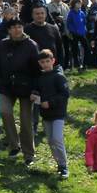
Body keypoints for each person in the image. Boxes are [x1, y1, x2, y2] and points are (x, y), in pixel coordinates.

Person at [0, 18, 40, 165]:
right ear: (9, 30)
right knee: (5, 111)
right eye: (14, 27)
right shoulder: (3, 45)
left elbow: (37, 70)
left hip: (26, 87)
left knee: (26, 121)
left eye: (20, 26)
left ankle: (29, 154)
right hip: (6, 87)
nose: (17, 29)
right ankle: (14, 145)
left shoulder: (31, 45)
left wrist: (35, 89)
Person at [32, 49, 70, 178]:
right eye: (42, 62)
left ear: (53, 61)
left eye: (48, 61)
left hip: (58, 114)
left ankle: (64, 166)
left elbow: (65, 94)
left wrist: (51, 102)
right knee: (50, 141)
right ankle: (59, 164)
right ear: (39, 63)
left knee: (57, 138)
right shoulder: (40, 78)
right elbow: (37, 90)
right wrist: (34, 94)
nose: (45, 64)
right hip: (46, 115)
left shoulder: (59, 76)